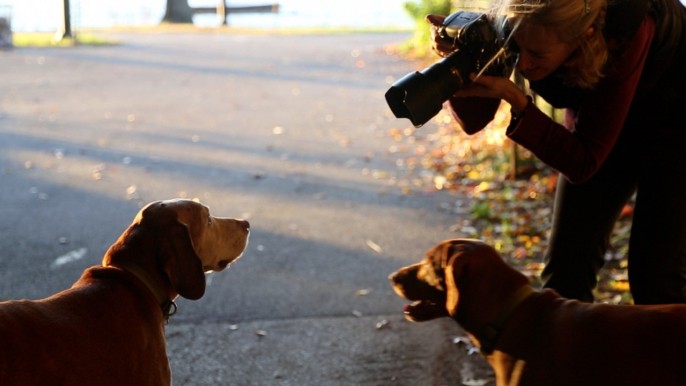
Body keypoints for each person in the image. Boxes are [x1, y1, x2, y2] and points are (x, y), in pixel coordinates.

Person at [427, 0, 686, 304]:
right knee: (565, 275)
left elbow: (583, 162)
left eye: (537, 55)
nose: (522, 64)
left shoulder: (630, 25)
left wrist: (518, 102)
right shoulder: (520, 20)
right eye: (518, 49)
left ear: (586, 36)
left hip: (675, 128)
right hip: (599, 120)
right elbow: (473, 121)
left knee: (656, 281)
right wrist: (464, 59)